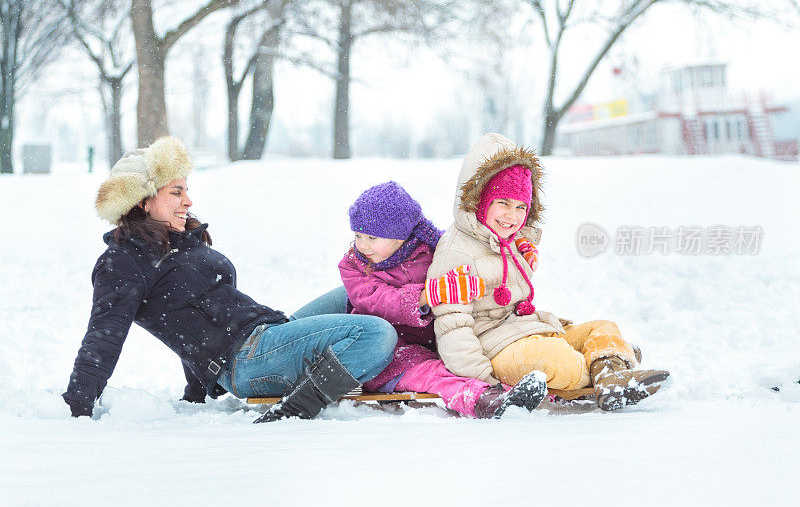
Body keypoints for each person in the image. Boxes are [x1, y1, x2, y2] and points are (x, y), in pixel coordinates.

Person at [62, 136, 396, 423]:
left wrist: (195, 394)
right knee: (377, 334)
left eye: (186, 190)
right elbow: (103, 337)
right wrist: (77, 407)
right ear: (142, 200)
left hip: (269, 336)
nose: (188, 201)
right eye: (176, 192)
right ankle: (300, 405)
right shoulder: (122, 262)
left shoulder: (174, 242)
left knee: (357, 291)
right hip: (248, 361)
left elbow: (188, 314)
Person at [427, 133, 670, 411]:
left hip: (528, 331)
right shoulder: (456, 252)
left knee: (603, 327)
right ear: (480, 199)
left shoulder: (509, 241)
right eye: (503, 203)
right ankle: (607, 364)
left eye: (521, 207)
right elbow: (452, 327)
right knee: (559, 362)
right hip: (494, 349)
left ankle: (609, 376)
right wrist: (486, 380)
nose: (512, 215)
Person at [338, 181, 547, 418]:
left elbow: (473, 247)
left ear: (399, 236)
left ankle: (518, 389)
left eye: (372, 237)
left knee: (474, 354)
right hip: (389, 354)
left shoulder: (433, 249)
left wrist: (515, 249)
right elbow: (374, 300)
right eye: (358, 235)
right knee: (432, 374)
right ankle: (484, 401)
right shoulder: (354, 265)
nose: (362, 245)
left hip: (435, 343)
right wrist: (426, 296)